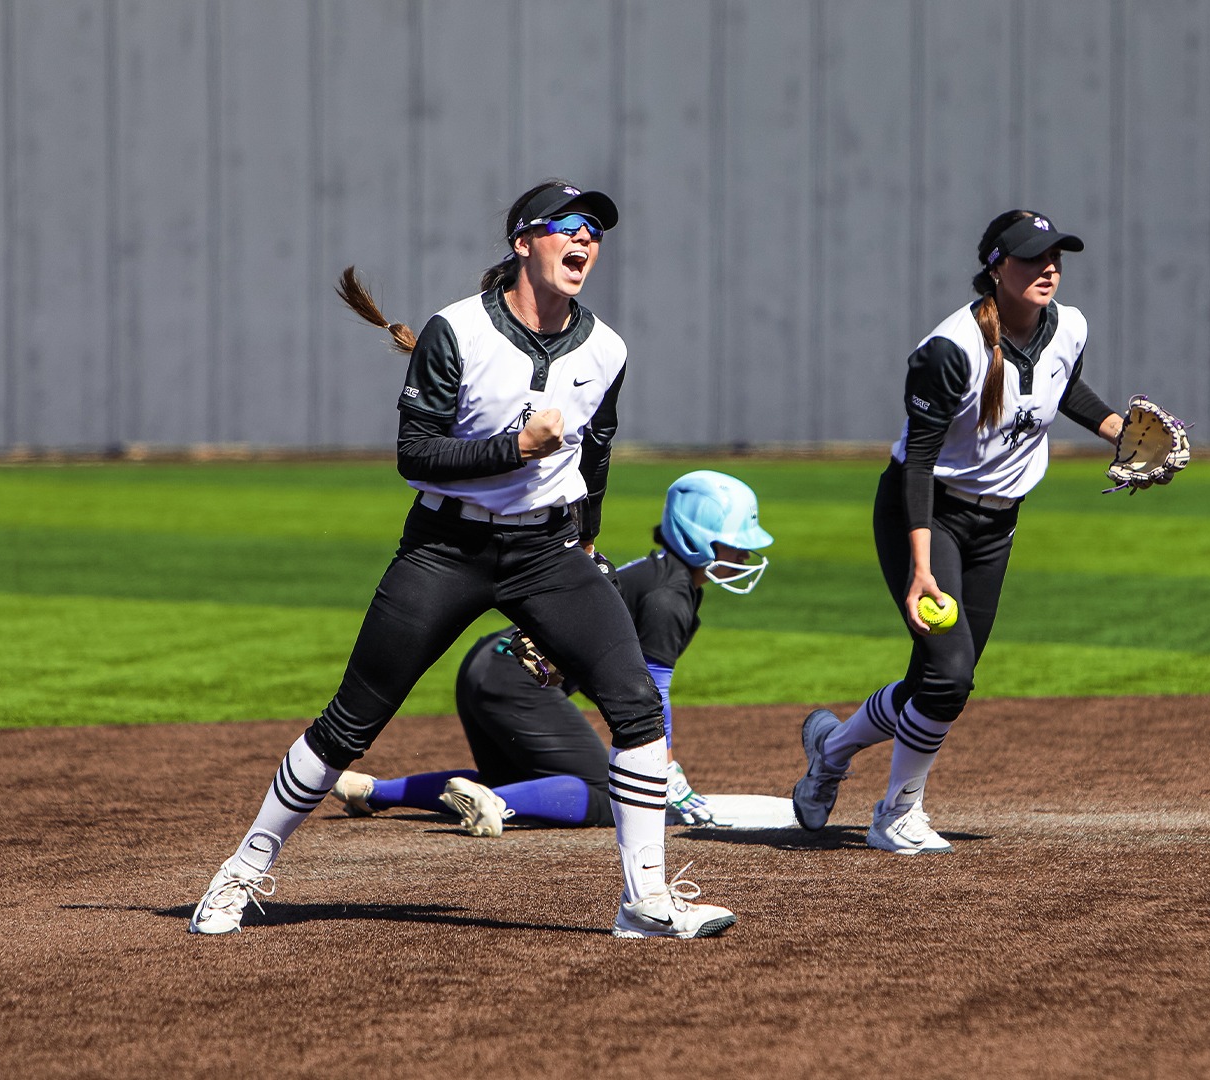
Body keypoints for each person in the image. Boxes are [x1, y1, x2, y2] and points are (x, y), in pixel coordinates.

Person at [188, 180, 736, 939]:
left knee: (636, 707)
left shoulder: (606, 348)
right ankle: (241, 872)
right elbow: (415, 455)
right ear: (523, 242)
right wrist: (517, 448)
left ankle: (644, 902)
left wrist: (585, 537)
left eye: (596, 230)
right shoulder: (458, 331)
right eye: (568, 225)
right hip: (447, 549)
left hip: (547, 549)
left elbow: (597, 450)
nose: (585, 239)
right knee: (351, 721)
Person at [790, 209, 1126, 854]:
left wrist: (1117, 430)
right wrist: (920, 569)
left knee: (937, 677)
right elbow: (918, 460)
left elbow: (1063, 387)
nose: (1048, 268)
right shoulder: (952, 349)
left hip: (998, 521)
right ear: (996, 268)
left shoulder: (1070, 326)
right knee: (949, 678)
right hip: (925, 513)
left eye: (1055, 256)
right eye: (1031, 257)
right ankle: (896, 814)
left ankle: (830, 749)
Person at [328, 471, 773, 836]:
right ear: (698, 537)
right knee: (610, 792)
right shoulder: (670, 597)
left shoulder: (659, 577)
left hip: (487, 665)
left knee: (523, 780)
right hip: (519, 679)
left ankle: (373, 791)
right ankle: (496, 804)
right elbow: (654, 685)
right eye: (734, 543)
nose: (743, 554)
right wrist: (664, 768)